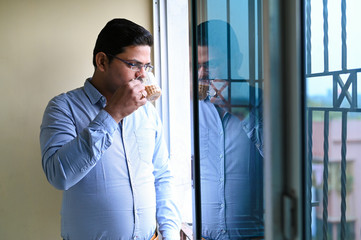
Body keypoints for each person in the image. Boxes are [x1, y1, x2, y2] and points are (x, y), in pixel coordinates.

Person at [40, 18, 181, 240]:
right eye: (134, 65)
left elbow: (161, 176)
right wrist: (112, 113)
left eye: (147, 66)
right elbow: (59, 176)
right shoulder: (63, 107)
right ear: (102, 61)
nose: (143, 75)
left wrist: (170, 234)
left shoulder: (147, 112)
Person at [196, 20, 264, 239]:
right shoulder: (192, 109)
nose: (201, 74)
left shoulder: (265, 102)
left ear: (237, 60)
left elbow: (287, 164)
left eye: (210, 64)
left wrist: (244, 113)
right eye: (197, 65)